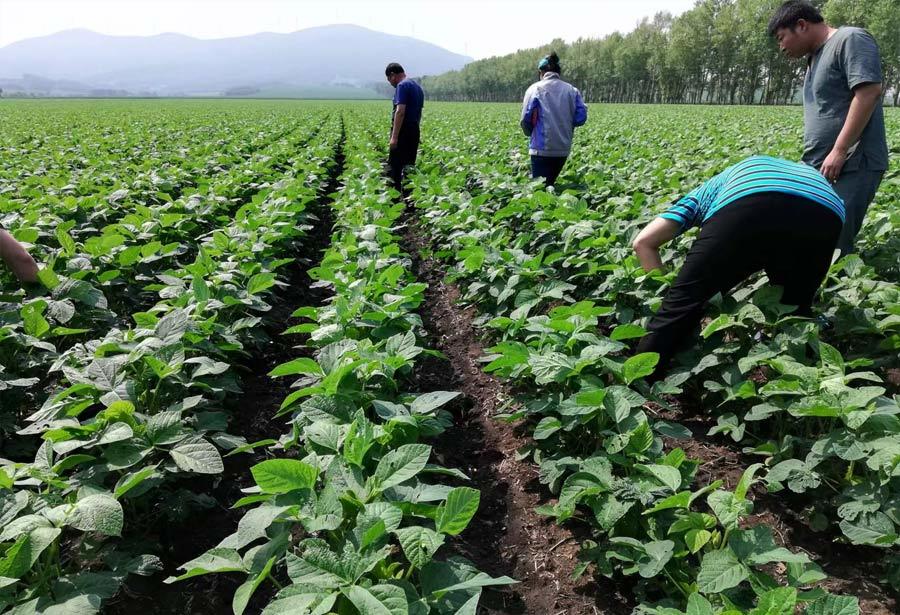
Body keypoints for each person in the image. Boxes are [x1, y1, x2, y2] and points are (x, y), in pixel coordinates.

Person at [632, 156, 845, 377]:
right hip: (826, 210)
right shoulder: (751, 173)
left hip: (751, 198)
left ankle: (642, 383)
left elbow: (643, 242)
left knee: (682, 304)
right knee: (794, 312)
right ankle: (805, 383)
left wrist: (670, 295)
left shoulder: (707, 190)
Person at [768, 1, 887, 255]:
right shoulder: (813, 58)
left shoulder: (850, 39)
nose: (781, 47)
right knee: (793, 225)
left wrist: (840, 149)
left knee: (831, 238)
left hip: (855, 163)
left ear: (801, 25)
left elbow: (868, 92)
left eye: (782, 38)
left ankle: (828, 292)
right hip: (818, 165)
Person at [520, 52, 588, 187]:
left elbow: (525, 120)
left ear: (541, 72)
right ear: (558, 72)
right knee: (550, 184)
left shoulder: (535, 89)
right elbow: (580, 118)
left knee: (540, 190)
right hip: (562, 149)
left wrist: (530, 132)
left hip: (540, 149)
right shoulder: (572, 90)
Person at [385, 62, 425, 189]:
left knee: (394, 168)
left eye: (389, 80)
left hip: (403, 131)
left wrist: (394, 137)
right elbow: (418, 112)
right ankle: (409, 200)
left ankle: (394, 200)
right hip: (414, 130)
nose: (390, 83)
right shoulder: (417, 87)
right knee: (409, 167)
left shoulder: (402, 85)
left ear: (392, 75)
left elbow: (400, 111)